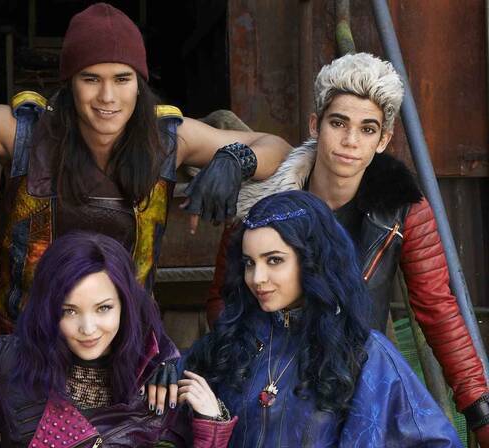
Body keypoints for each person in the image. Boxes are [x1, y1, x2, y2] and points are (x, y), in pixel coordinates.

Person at [0, 3, 290, 335]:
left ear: (140, 84)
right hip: (28, 345)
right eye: (91, 79)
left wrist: (235, 159)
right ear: (69, 83)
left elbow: (278, 147)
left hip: (126, 342)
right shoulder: (22, 132)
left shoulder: (167, 138)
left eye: (122, 79)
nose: (107, 96)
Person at [205, 52, 489, 441]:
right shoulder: (266, 198)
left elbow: (438, 309)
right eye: (338, 123)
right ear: (315, 125)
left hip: (357, 380)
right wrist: (245, 369)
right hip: (272, 380)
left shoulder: (402, 209)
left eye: (367, 129)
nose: (350, 141)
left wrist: (480, 411)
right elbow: (224, 300)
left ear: (383, 139)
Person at [0, 232, 236, 447]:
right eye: (69, 311)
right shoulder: (12, 360)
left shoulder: (157, 374)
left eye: (103, 308)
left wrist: (211, 422)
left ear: (125, 306)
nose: (88, 328)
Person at [183, 190, 462, 446]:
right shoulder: (229, 346)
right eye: (249, 263)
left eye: (274, 260)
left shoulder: (364, 355)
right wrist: (210, 425)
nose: (257, 278)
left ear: (312, 261)